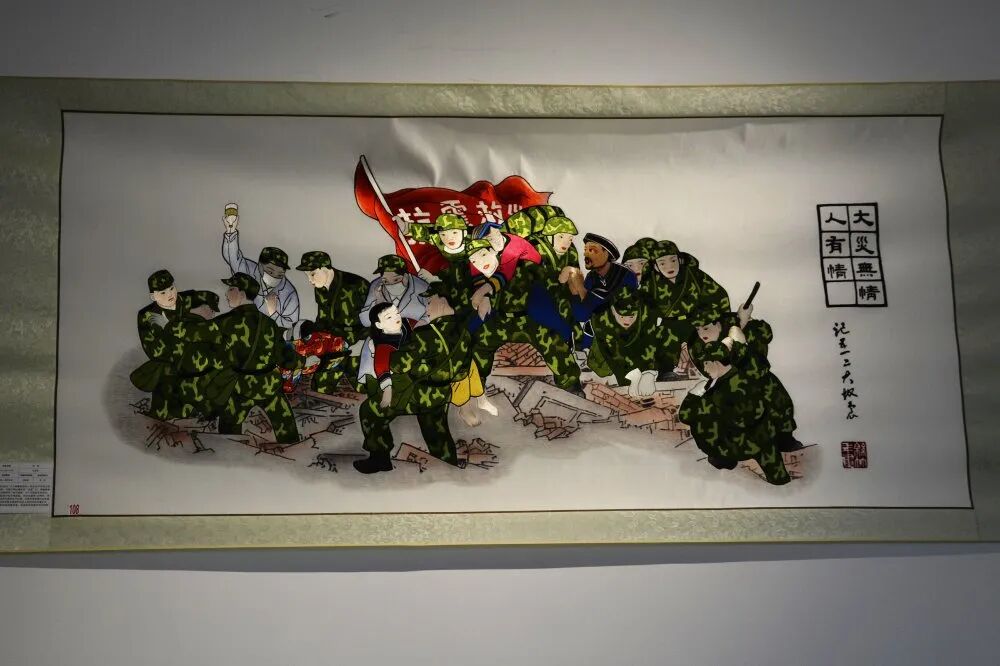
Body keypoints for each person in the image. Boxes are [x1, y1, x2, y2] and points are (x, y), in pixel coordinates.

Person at [170, 272, 314, 444]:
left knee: (229, 432)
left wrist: (172, 322)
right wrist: (304, 362)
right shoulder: (268, 323)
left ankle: (232, 451)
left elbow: (192, 333)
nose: (226, 293)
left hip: (240, 387)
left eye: (231, 289)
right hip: (268, 384)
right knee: (286, 426)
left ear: (242, 293)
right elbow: (284, 355)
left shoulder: (225, 322)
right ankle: (293, 448)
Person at [353, 292, 478, 474]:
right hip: (441, 394)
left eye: (429, 302)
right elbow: (462, 373)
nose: (426, 307)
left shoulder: (424, 334)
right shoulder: (464, 333)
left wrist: (382, 350)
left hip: (415, 393)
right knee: (436, 430)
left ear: (442, 302)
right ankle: (448, 465)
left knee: (369, 411)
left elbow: (399, 365)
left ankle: (380, 459)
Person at [466, 239, 583, 394]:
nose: (481, 261)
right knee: (477, 346)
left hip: (529, 320)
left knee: (554, 345)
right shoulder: (482, 272)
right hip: (498, 321)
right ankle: (475, 383)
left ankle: (571, 386)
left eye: (484, 254)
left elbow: (550, 283)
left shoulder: (526, 264)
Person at [687, 302, 803, 453]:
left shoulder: (735, 328)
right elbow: (713, 367)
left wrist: (746, 322)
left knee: (777, 398)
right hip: (725, 386)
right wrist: (735, 344)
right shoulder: (698, 345)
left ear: (719, 325)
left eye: (706, 327)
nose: (701, 333)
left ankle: (784, 438)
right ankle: (721, 452)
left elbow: (764, 341)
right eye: (698, 329)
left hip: (754, 377)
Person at [678, 341, 791, 485]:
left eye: (706, 363)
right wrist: (697, 394)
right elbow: (685, 416)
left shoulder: (739, 384)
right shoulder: (716, 382)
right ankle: (724, 459)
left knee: (766, 451)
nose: (704, 368)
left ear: (716, 362)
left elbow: (686, 415)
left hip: (752, 441)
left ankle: (775, 475)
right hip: (741, 442)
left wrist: (698, 398)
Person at [640, 240, 730, 378]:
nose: (669, 266)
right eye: (662, 263)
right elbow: (643, 307)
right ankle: (665, 374)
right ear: (656, 266)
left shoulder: (694, 275)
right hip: (667, 325)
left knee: (703, 344)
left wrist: (714, 319)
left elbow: (719, 296)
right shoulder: (650, 283)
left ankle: (711, 372)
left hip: (694, 322)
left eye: (673, 260)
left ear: (680, 260)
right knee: (661, 345)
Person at [295, 250, 370, 392]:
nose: (310, 280)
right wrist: (314, 343)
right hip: (333, 345)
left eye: (312, 274)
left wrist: (362, 342)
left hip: (358, 344)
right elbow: (322, 319)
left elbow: (373, 317)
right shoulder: (320, 288)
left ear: (325, 269)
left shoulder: (356, 285)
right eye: (307, 275)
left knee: (365, 388)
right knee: (320, 388)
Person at [220, 202, 299, 328]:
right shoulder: (250, 272)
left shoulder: (289, 293)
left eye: (280, 274)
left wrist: (273, 313)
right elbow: (233, 258)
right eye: (270, 271)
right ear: (260, 265)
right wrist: (231, 230)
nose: (275, 277)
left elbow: (292, 326)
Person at [585, 288, 674, 397]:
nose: (627, 321)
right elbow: (613, 353)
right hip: (616, 342)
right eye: (622, 316)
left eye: (631, 316)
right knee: (602, 368)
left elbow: (650, 342)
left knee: (667, 335)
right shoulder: (600, 318)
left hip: (641, 339)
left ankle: (665, 370)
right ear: (613, 310)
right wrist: (630, 378)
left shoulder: (648, 311)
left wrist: (649, 372)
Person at [359, 254, 430, 327]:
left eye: (396, 280)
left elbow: (433, 313)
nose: (391, 285)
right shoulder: (377, 286)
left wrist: (421, 324)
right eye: (386, 281)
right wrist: (378, 302)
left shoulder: (421, 287)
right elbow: (366, 322)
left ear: (405, 277)